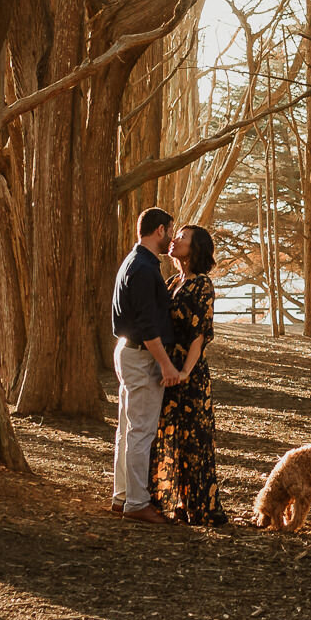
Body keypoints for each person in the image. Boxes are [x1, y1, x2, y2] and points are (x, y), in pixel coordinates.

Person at [149, 223, 230, 525]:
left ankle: (201, 507)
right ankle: (172, 502)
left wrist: (185, 372)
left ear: (194, 249)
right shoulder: (172, 282)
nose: (174, 240)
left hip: (189, 374)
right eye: (176, 235)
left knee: (194, 442)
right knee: (168, 437)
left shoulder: (203, 285)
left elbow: (199, 336)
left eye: (182, 238)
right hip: (167, 370)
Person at [110, 208, 177, 525]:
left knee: (127, 428)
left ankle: (122, 494)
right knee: (141, 431)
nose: (171, 239)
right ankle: (136, 502)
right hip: (141, 355)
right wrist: (165, 364)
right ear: (160, 230)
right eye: (170, 232)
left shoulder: (133, 261)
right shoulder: (144, 269)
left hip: (128, 350)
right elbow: (149, 327)